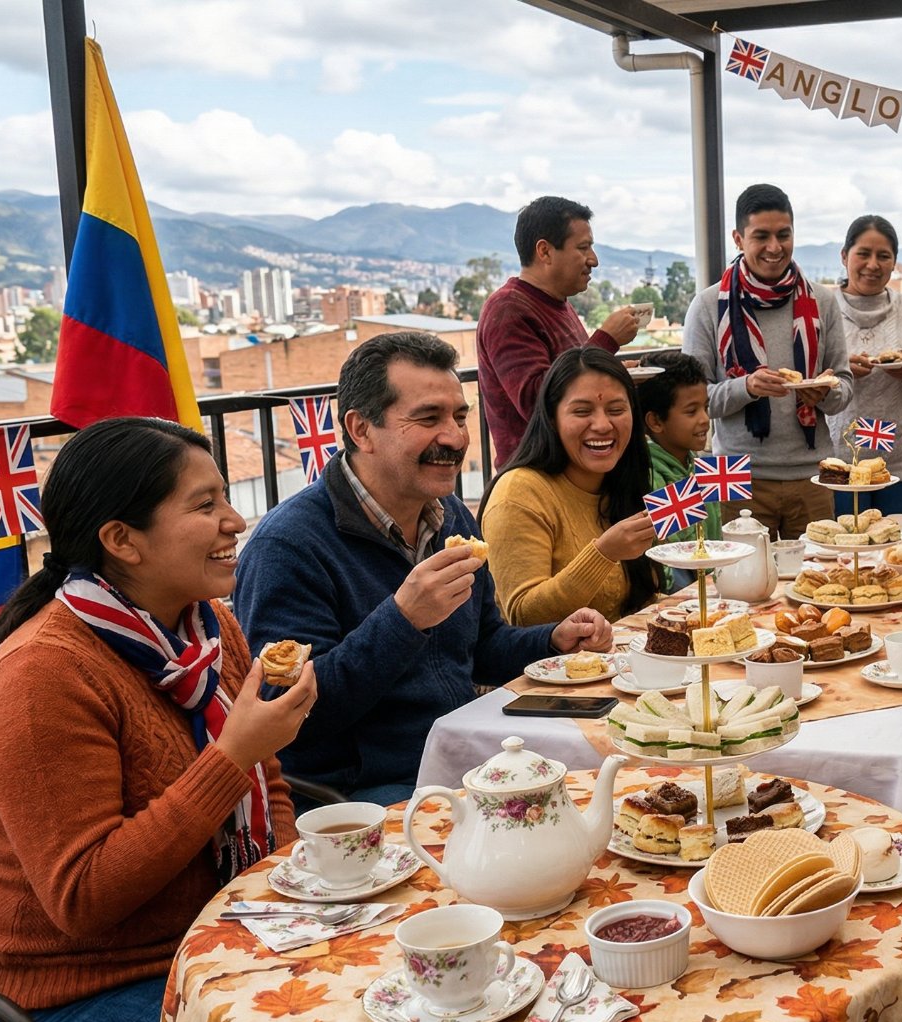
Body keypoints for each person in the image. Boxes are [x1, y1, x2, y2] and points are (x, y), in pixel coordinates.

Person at [0, 417, 313, 1022]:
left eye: (225, 498)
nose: (236, 521)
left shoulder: (208, 626)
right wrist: (231, 757)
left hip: (210, 945)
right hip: (61, 1001)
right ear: (121, 541)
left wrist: (290, 906)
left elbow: (270, 785)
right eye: (205, 506)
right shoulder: (43, 674)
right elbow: (85, 897)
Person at [234, 331, 612, 804]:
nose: (454, 437)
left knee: (623, 779)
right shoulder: (288, 546)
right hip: (368, 793)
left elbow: (481, 647)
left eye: (459, 416)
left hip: (468, 755)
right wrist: (403, 619)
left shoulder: (448, 511)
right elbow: (289, 716)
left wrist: (552, 639)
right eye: (428, 418)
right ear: (361, 430)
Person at [682, 183, 852, 538]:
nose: (775, 248)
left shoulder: (822, 301)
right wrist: (746, 387)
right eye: (761, 236)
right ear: (738, 239)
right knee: (734, 584)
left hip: (812, 474)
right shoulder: (708, 304)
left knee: (817, 583)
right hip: (731, 474)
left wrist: (824, 394)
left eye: (784, 235)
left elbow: (844, 386)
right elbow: (692, 401)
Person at [481, 346, 660, 624]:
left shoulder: (623, 481)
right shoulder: (518, 492)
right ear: (552, 418)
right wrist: (603, 553)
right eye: (582, 411)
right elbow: (524, 616)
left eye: (616, 410)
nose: (602, 425)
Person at [478, 196, 641, 465]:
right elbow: (535, 400)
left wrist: (617, 373)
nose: (594, 260)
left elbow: (572, 373)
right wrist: (606, 340)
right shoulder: (508, 309)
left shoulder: (558, 304)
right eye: (583, 247)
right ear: (544, 251)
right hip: (538, 474)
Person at [830, 215, 902, 516]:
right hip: (841, 461)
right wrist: (840, 371)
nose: (873, 265)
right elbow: (809, 381)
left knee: (894, 552)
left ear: (895, 263)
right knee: (845, 552)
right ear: (844, 256)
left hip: (898, 460)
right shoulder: (824, 307)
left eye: (883, 256)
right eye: (863, 254)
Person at [637, 351, 722, 591]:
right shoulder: (652, 477)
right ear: (655, 422)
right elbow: (672, 564)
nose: (705, 419)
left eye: (705, 407)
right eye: (691, 411)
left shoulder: (696, 467)